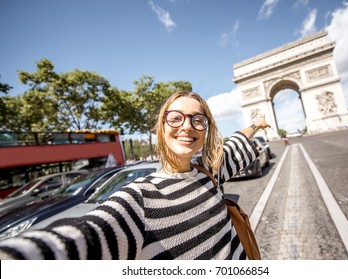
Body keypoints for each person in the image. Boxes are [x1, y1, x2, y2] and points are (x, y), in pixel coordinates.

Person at [0, 91, 270, 260]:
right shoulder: (139, 199)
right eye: (176, 118)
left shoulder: (210, 172)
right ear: (160, 127)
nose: (187, 126)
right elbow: (82, 238)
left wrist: (256, 124)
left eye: (198, 119)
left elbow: (236, 145)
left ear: (205, 130)